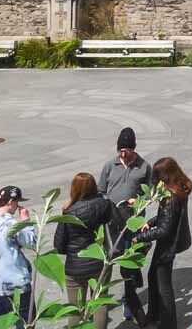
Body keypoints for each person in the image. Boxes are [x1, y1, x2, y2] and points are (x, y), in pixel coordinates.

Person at [98, 127, 154, 326]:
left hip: (133, 222)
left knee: (129, 263)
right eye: (120, 150)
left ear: (134, 149)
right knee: (107, 259)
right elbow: (101, 191)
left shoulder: (145, 167)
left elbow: (150, 194)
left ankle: (129, 299)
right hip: (111, 223)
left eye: (127, 150)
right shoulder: (109, 166)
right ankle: (100, 299)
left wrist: (138, 201)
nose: (123, 153)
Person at [132, 157, 192, 329]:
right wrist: (150, 223)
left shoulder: (170, 199)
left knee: (163, 286)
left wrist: (140, 237)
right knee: (154, 277)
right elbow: (166, 219)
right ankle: (155, 315)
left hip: (167, 246)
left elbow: (164, 230)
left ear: (165, 177)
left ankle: (167, 323)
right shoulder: (180, 189)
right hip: (172, 242)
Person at [56, 172, 115, 329]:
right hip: (100, 261)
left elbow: (59, 245)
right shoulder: (105, 205)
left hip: (75, 266)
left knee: (75, 309)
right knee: (100, 303)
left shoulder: (69, 212)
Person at [0, 184, 37, 322]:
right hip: (17, 285)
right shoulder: (11, 224)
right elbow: (31, 242)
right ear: (10, 202)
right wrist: (26, 222)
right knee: (26, 323)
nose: (17, 206)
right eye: (17, 202)